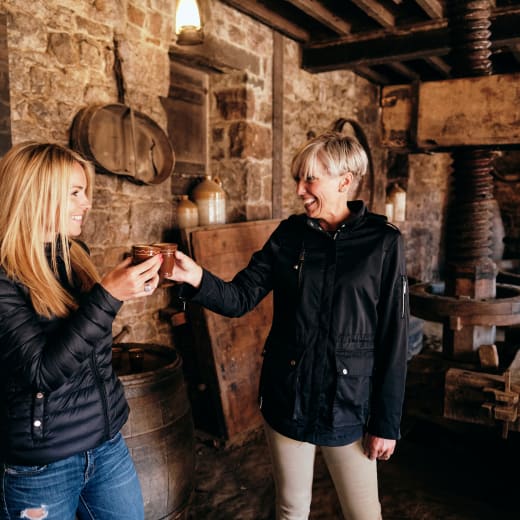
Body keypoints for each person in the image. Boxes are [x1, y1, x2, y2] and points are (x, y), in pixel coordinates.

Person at [169, 132, 409, 520]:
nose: (299, 190)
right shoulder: (289, 235)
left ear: (344, 181)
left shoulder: (383, 242)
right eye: (298, 178)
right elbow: (239, 297)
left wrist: (386, 420)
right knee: (290, 509)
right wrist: (196, 276)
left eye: (309, 179)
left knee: (363, 513)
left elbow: (393, 337)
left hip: (347, 403)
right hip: (288, 396)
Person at [0, 142, 162, 520]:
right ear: (36, 194)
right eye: (75, 192)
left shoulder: (74, 254)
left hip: (106, 446)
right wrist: (108, 295)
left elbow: (88, 345)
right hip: (42, 467)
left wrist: (121, 287)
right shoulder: (5, 277)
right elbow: (41, 373)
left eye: (85, 192)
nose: (87, 203)